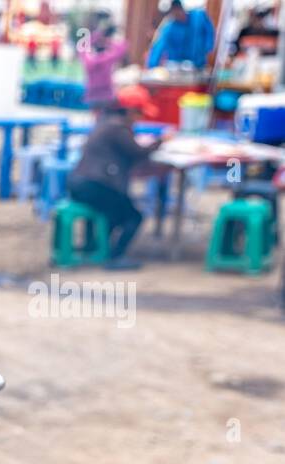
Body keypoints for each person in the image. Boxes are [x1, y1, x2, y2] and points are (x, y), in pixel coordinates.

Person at [67, 85, 166, 269]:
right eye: (139, 114)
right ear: (130, 111)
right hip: (95, 185)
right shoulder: (118, 128)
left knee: (114, 213)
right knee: (133, 216)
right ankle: (115, 256)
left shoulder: (105, 122)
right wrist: (161, 142)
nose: (139, 119)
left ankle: (95, 248)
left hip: (80, 182)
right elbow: (137, 152)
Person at [146, 0, 215, 68]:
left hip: (199, 64)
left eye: (177, 10)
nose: (176, 14)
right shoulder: (169, 28)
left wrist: (209, 49)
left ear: (181, 8)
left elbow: (209, 32)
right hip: (178, 67)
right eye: (173, 12)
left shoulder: (199, 17)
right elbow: (159, 45)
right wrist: (152, 65)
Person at [82, 24, 128, 110]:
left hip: (93, 95)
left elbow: (82, 49)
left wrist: (94, 37)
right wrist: (107, 41)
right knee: (105, 118)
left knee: (95, 120)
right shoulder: (107, 59)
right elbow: (123, 48)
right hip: (106, 96)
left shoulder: (88, 61)